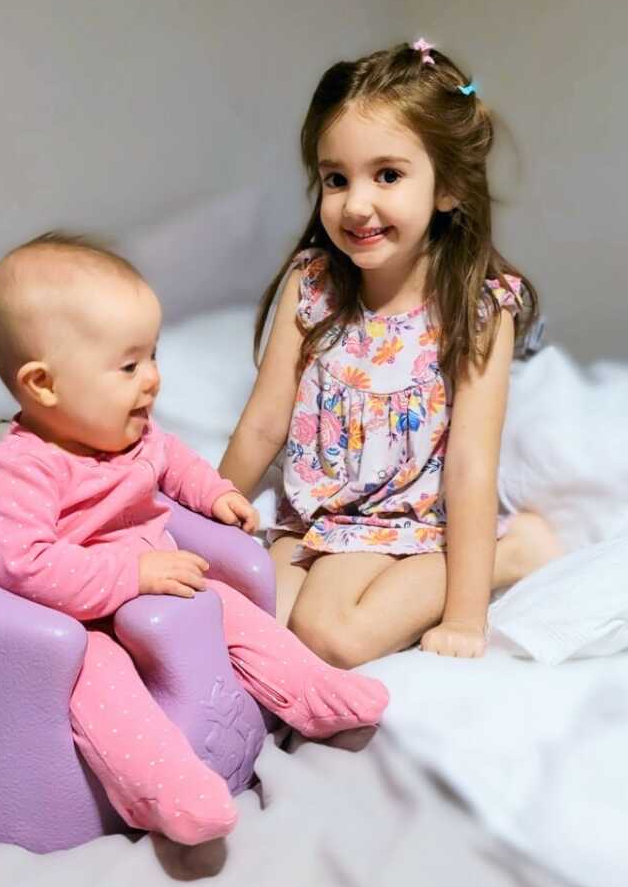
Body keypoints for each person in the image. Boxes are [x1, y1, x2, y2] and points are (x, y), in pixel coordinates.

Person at [0, 233, 389, 846]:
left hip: (152, 580)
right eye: (130, 366)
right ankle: (165, 789)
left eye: (153, 356)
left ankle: (310, 689)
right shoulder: (17, 472)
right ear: (44, 385)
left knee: (229, 607)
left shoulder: (129, 433)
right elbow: (22, 567)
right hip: (66, 624)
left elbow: (172, 460)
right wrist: (130, 578)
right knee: (99, 684)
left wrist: (214, 493)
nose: (153, 380)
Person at [219, 39, 562, 668]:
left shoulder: (477, 307)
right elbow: (263, 423)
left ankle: (510, 554)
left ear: (448, 188)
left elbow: (468, 465)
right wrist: (200, 515)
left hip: (408, 525)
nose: (355, 204)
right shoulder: (313, 283)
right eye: (335, 178)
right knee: (249, 625)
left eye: (388, 175)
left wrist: (465, 616)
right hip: (313, 520)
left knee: (332, 636)